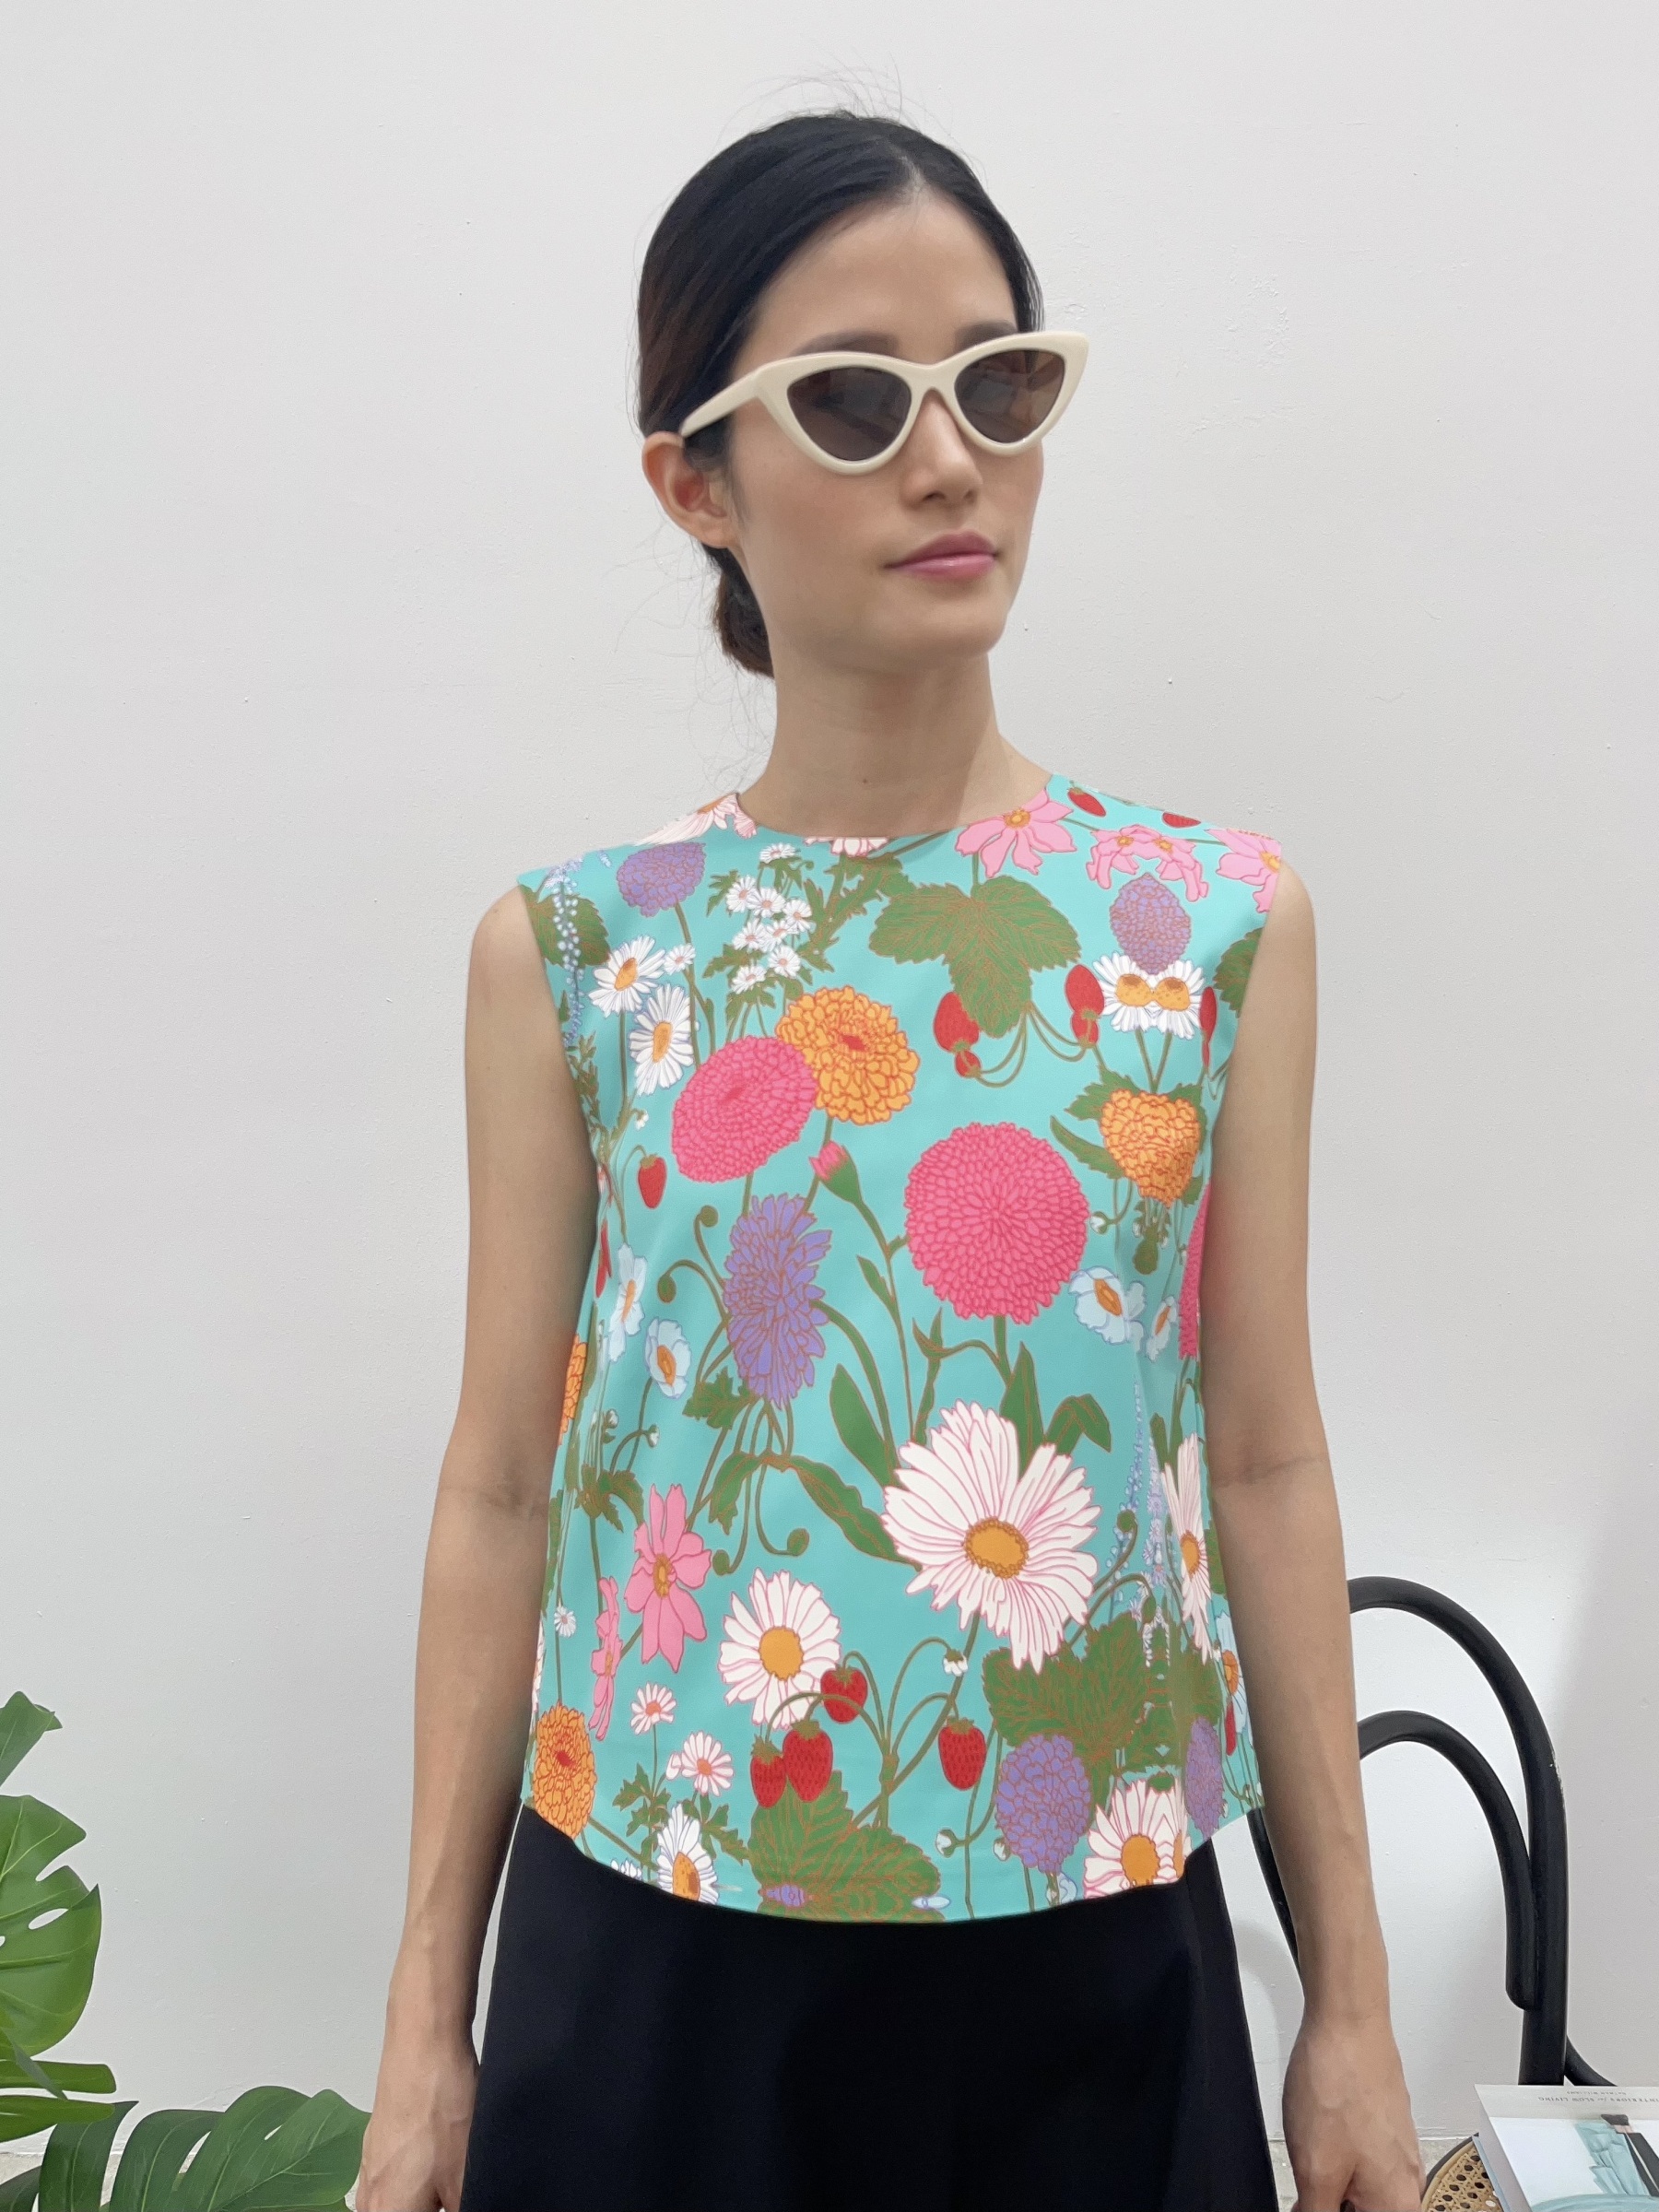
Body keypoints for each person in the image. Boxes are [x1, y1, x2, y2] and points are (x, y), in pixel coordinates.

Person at [357, 110, 1424, 2212]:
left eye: (999, 385)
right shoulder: (578, 956)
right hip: (658, 1954)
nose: (951, 462)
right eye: (853, 402)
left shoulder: (1210, 930)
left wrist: (1357, 2009)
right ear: (696, 483)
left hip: (1094, 1953)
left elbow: (1267, 1463)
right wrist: (421, 2028)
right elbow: (499, 1488)